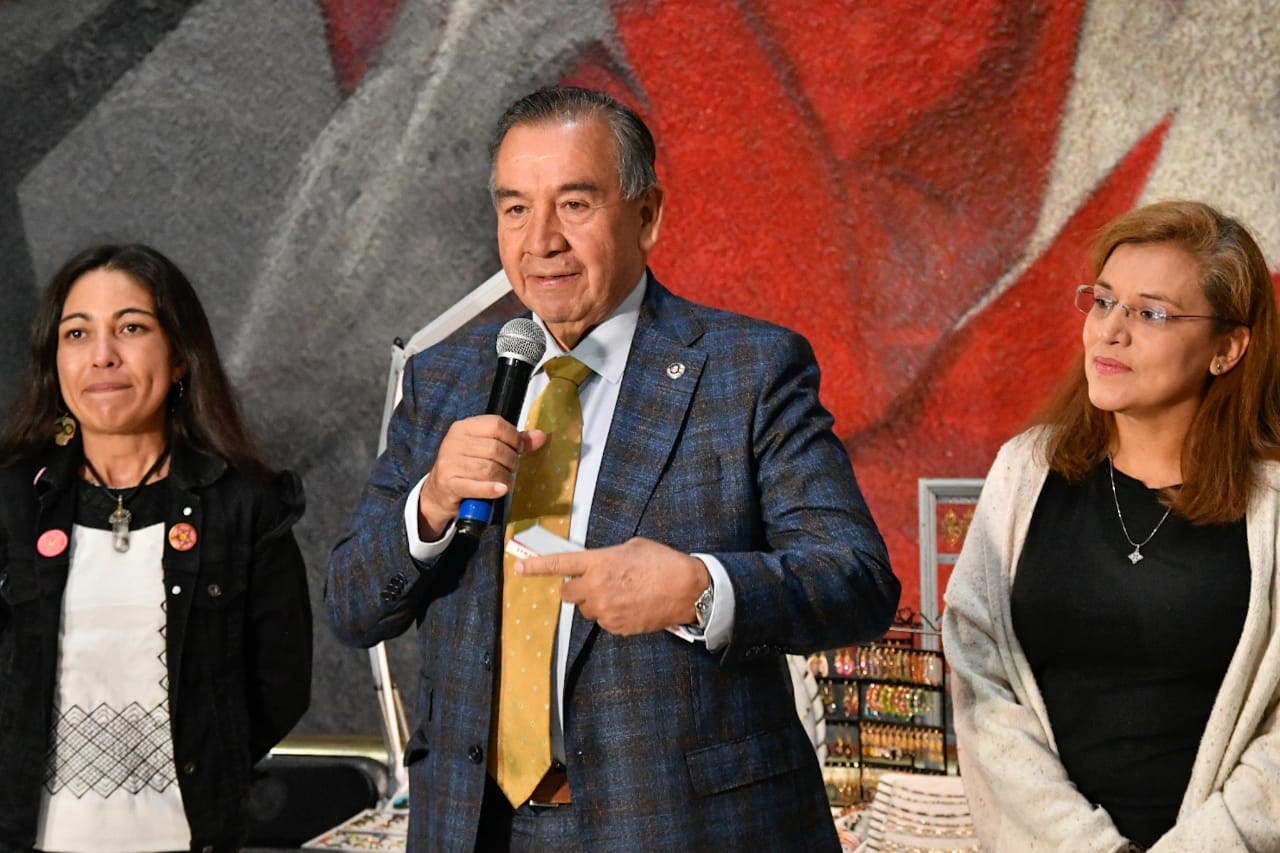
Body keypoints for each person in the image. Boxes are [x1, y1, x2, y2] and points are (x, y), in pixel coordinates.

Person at [326, 85, 899, 850]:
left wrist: (698, 588)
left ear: (647, 215)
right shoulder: (444, 378)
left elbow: (856, 580)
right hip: (475, 828)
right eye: (516, 208)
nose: (541, 241)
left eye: (575, 204)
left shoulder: (750, 370)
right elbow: (352, 606)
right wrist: (429, 504)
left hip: (684, 829)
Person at [943, 200, 1280, 851]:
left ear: (1227, 348)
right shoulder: (1025, 472)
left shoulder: (1272, 508)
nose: (1110, 332)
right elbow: (980, 674)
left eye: (1151, 313)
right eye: (1103, 302)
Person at [0, 244, 313, 852]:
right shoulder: (12, 500)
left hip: (190, 838)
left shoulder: (243, 504)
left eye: (132, 328)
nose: (102, 355)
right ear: (53, 361)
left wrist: (211, 765)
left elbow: (281, 685)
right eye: (77, 333)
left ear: (179, 358)